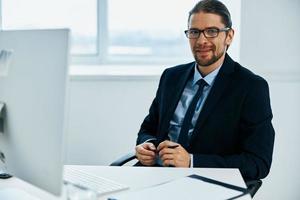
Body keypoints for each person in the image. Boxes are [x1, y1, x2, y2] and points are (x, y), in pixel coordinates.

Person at [135, 0, 274, 181]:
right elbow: (149, 128)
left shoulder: (251, 87)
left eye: (211, 31)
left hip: (205, 182)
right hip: (155, 174)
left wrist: (192, 161)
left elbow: (258, 163)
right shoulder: (171, 76)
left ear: (229, 36)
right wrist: (147, 145)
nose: (201, 40)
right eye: (194, 32)